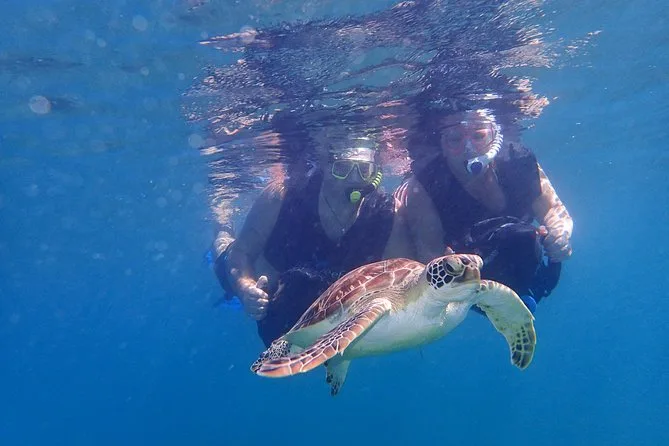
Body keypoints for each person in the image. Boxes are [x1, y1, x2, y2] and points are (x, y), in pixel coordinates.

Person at [212, 133, 411, 346]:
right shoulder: (282, 195)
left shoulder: (388, 215)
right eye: (342, 168)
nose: (354, 179)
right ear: (324, 165)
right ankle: (222, 225)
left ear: (376, 172)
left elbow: (402, 281)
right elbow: (241, 252)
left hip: (315, 311)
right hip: (265, 284)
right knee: (224, 257)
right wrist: (245, 288)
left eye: (364, 170)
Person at [397, 108, 573, 311]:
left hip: (520, 256)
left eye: (479, 136)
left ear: (494, 138)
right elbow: (430, 255)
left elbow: (553, 209)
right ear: (443, 146)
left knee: (521, 237)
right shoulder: (426, 187)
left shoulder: (518, 161)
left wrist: (559, 236)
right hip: (470, 268)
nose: (469, 148)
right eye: (455, 139)